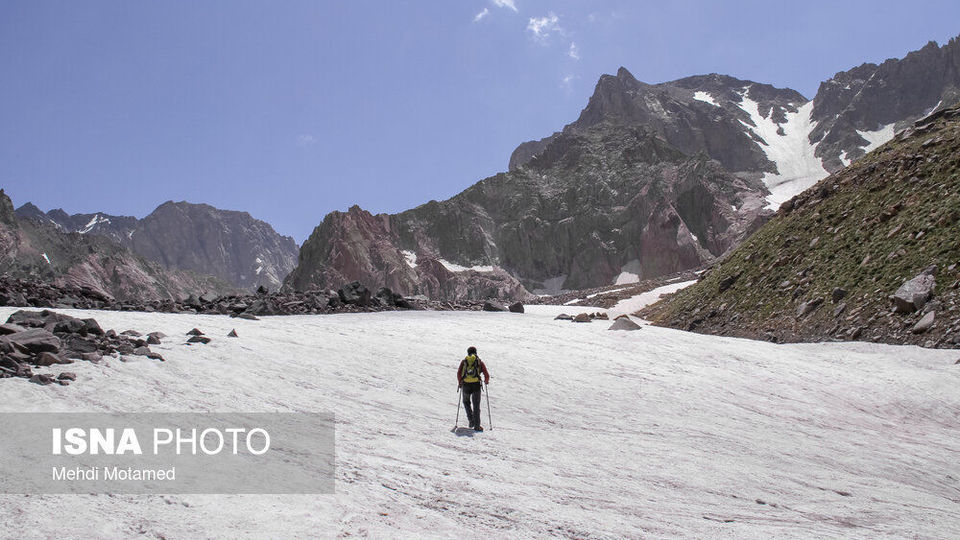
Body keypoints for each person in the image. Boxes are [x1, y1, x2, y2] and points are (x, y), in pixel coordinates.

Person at [457, 346, 490, 431]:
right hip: (476, 385)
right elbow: (486, 374)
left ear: (468, 353)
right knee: (476, 405)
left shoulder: (464, 361)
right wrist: (486, 381)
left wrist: (460, 382)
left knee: (466, 402)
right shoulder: (479, 362)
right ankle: (477, 426)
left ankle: (471, 420)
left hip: (466, 384)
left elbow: (459, 373)